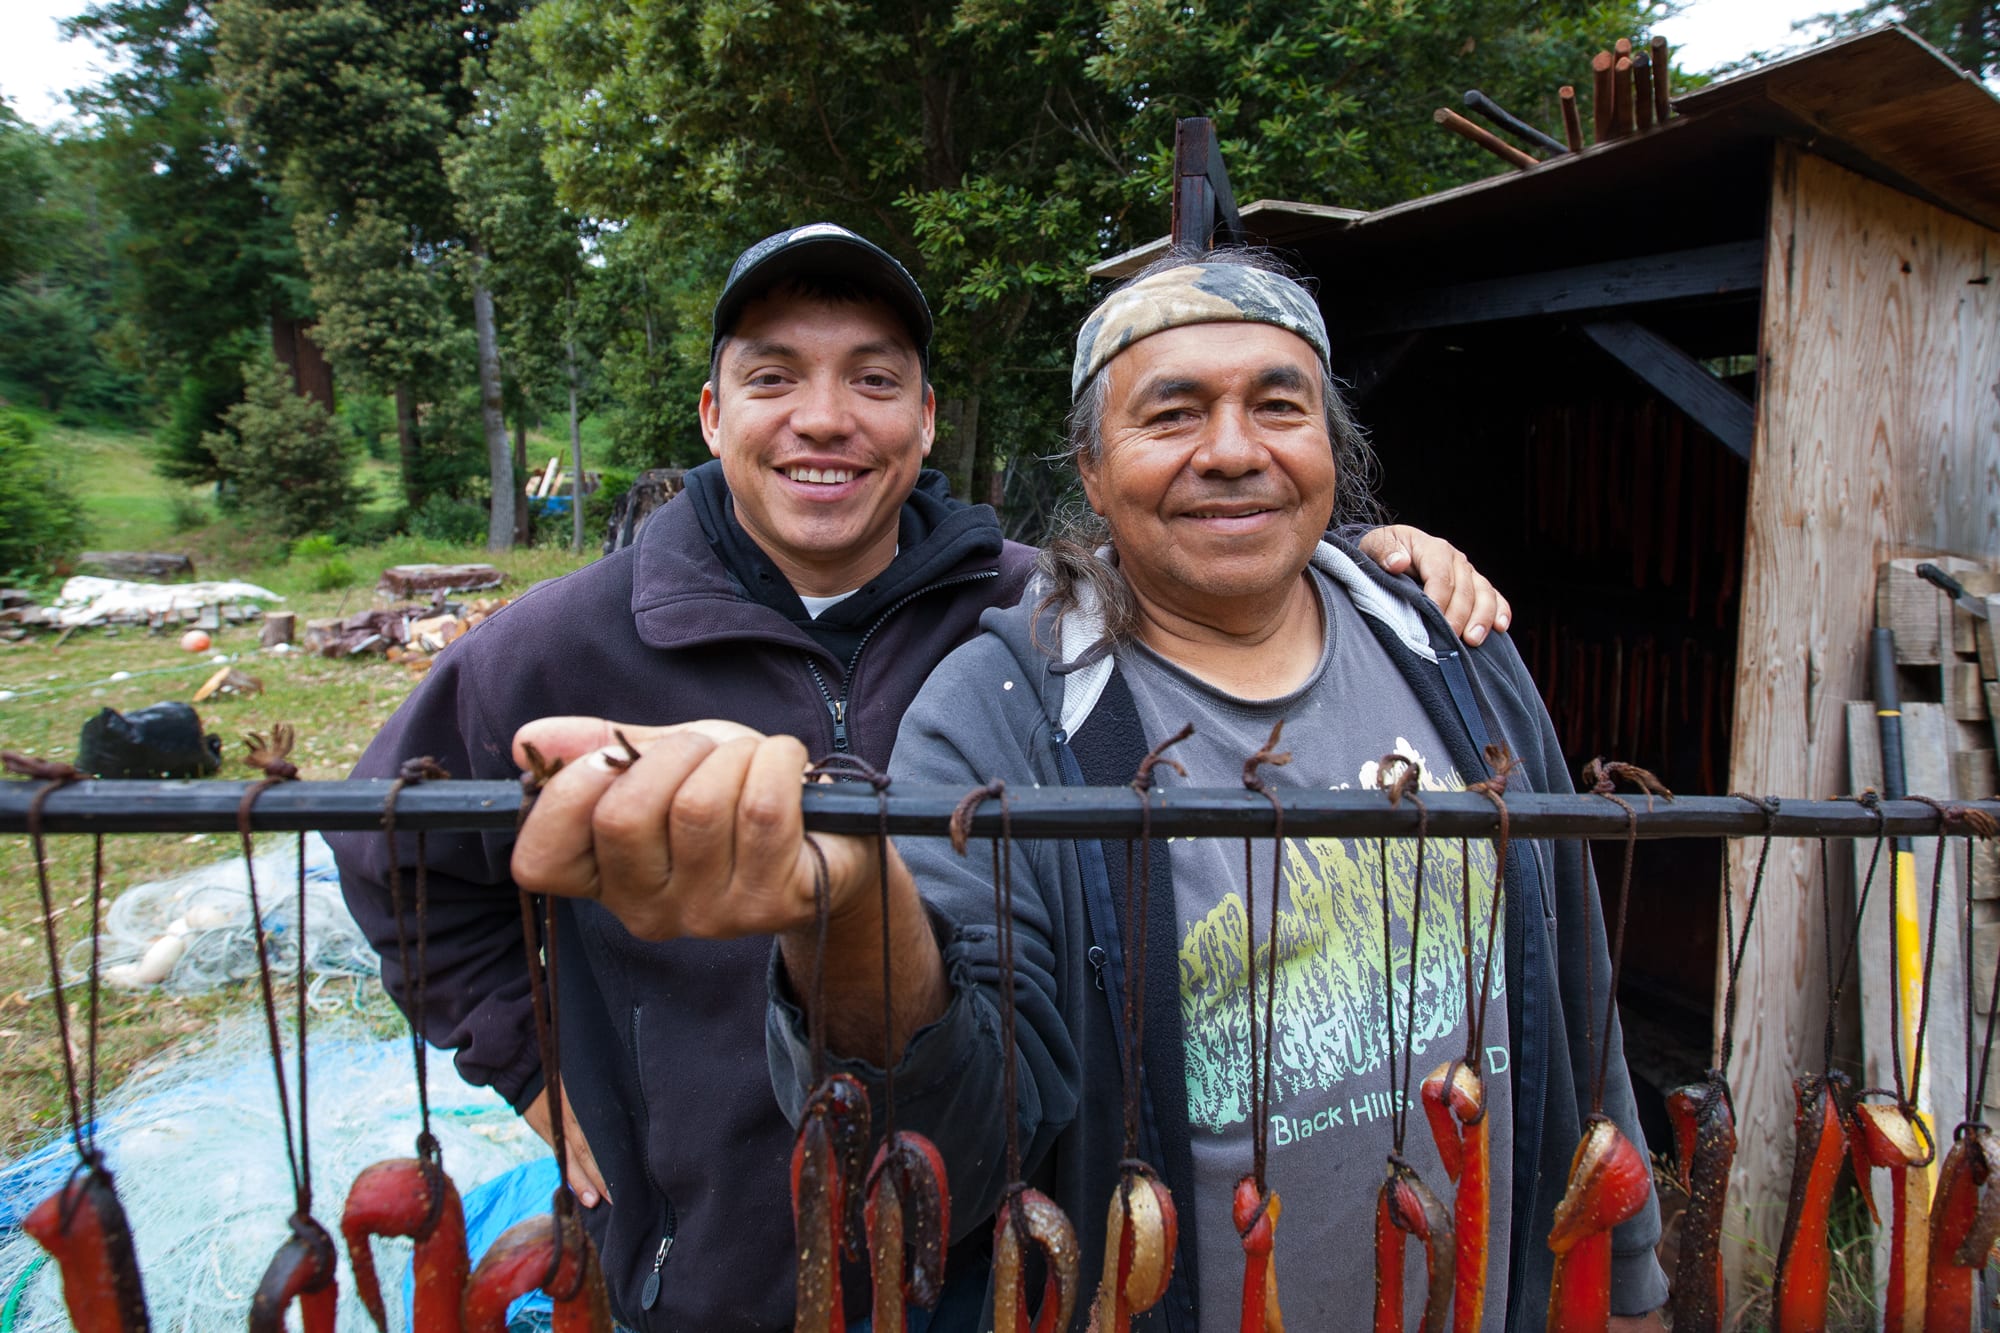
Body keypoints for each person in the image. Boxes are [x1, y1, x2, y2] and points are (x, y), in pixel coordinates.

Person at [335, 224, 1510, 1333]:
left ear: (927, 417)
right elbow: (393, 859)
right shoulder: (555, 646)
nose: (825, 419)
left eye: (874, 380)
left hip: (988, 1261)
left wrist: (1363, 565)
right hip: (712, 1272)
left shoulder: (1038, 619)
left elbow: (1211, 545)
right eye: (773, 378)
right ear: (711, 412)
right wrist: (536, 1074)